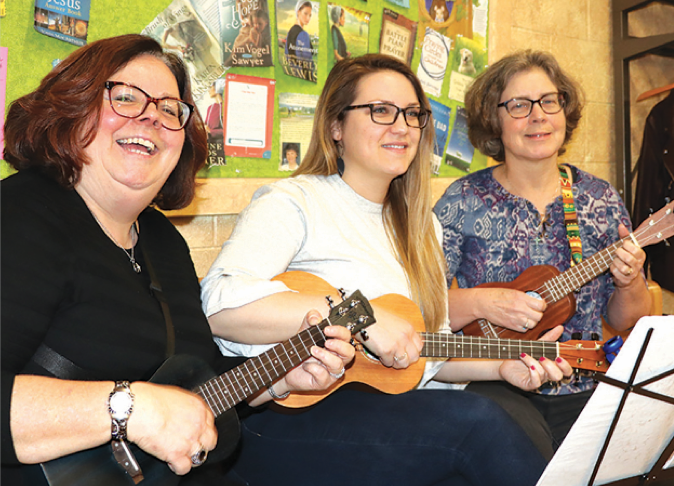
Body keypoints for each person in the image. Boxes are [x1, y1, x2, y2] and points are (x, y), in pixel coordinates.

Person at [1, 34, 354, 486]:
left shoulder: (162, 241)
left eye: (170, 110)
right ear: (72, 109)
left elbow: (192, 383)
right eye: (125, 97)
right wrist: (128, 408)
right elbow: (147, 404)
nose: (151, 116)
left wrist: (282, 378)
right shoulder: (18, 216)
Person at [201, 53, 569, 486]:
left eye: (413, 114)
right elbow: (219, 304)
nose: (402, 126)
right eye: (380, 111)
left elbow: (426, 354)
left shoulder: (420, 224)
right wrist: (360, 315)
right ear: (336, 126)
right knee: (477, 423)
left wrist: (500, 369)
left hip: (384, 413)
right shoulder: (293, 202)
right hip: (284, 417)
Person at [433, 50, 651, 459]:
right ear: (493, 119)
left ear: (565, 111)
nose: (538, 116)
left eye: (549, 101)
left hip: (586, 384)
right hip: (492, 384)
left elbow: (626, 319)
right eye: (518, 105)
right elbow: (421, 309)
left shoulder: (600, 198)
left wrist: (630, 279)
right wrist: (483, 302)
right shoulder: (461, 200)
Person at [284, 0, 315, 79]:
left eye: (310, 15)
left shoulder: (290, 32)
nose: (308, 18)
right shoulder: (304, 35)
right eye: (305, 13)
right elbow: (308, 62)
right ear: (298, 12)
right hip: (304, 77)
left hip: (291, 74)